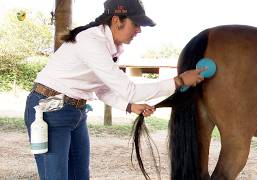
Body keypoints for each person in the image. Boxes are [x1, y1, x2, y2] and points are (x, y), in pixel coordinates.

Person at [24, 0, 205, 179]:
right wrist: (179, 80)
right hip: (49, 109)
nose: (139, 30)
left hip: (75, 111)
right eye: (136, 24)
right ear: (116, 20)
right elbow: (131, 90)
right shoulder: (92, 41)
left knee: (80, 176)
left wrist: (130, 106)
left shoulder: (111, 47)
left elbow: (101, 89)